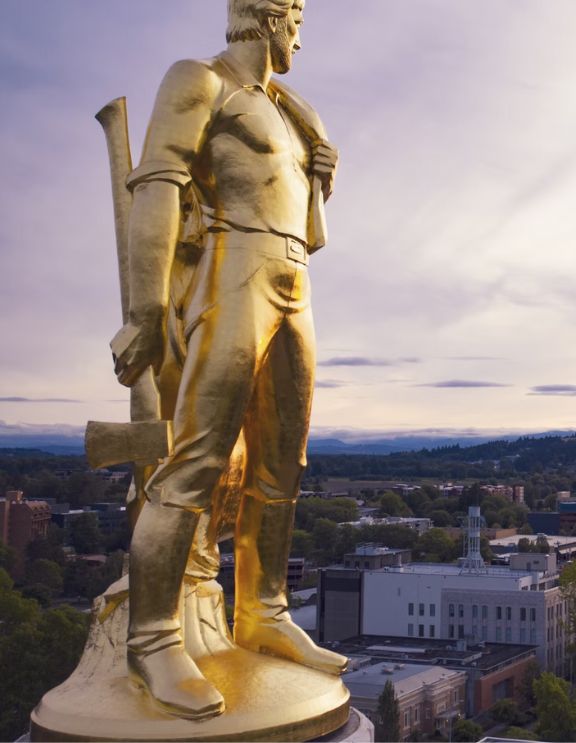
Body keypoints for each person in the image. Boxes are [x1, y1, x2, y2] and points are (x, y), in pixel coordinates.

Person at [111, 0, 346, 720]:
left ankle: (262, 611)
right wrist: (148, 310)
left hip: (293, 276)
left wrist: (320, 169)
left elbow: (306, 219)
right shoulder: (199, 80)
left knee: (283, 461)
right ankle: (152, 637)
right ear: (267, 19)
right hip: (232, 265)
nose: (299, 41)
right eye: (295, 26)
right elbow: (159, 186)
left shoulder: (287, 110)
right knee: (198, 459)